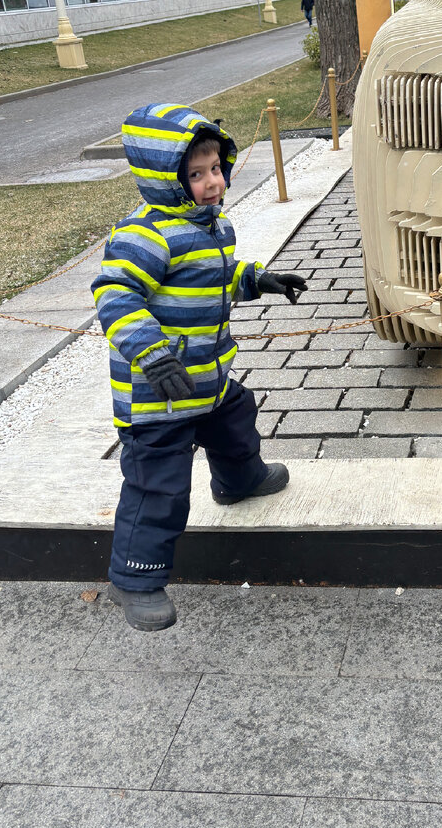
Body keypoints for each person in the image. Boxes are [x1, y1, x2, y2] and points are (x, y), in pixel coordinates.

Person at [91, 104, 307, 632]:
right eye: (196, 174)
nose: (211, 183)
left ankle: (238, 479)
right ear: (165, 179)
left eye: (216, 169)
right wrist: (154, 354)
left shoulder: (214, 225)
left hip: (207, 382)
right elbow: (115, 295)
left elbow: (220, 275)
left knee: (236, 418)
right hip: (158, 392)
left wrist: (259, 280)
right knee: (158, 485)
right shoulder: (145, 235)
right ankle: (136, 579)